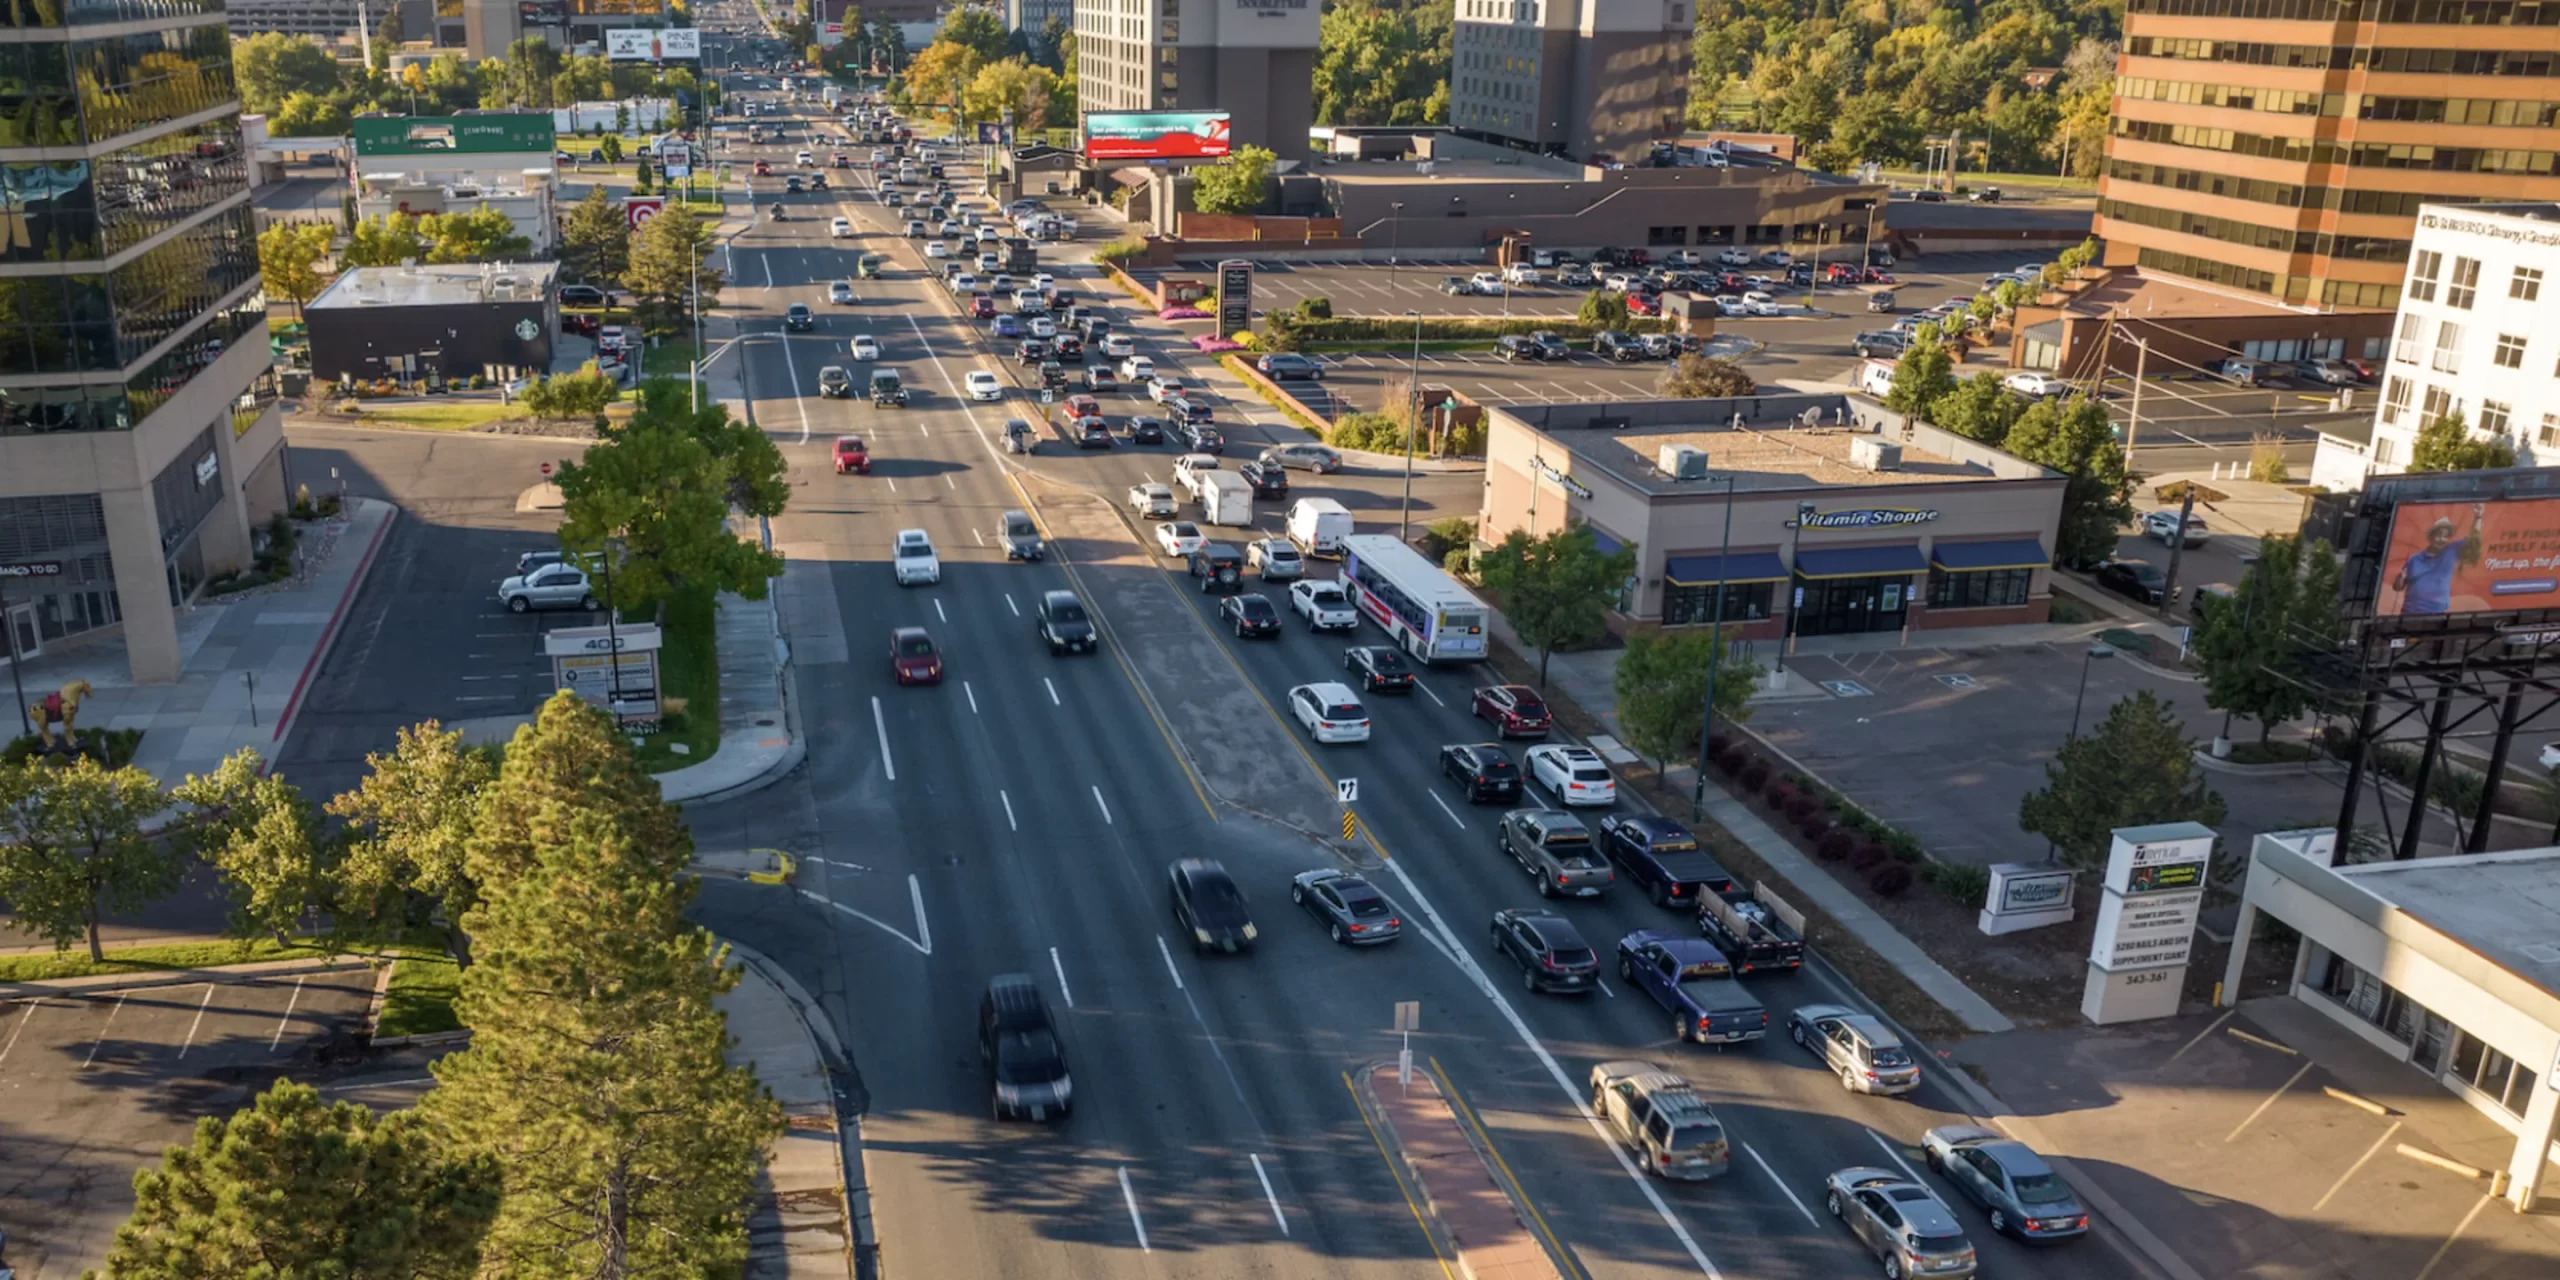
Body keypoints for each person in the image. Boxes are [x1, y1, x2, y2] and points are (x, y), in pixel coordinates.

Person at [2392, 503, 2485, 615]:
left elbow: (2473, 540)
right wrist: (2400, 579)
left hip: (2436, 615)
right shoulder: (2414, 559)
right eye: (2439, 535)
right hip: (2410, 613)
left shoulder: (2451, 550)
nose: (2442, 539)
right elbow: (2398, 588)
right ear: (2431, 537)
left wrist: (2477, 518)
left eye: (2446, 536)